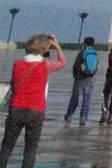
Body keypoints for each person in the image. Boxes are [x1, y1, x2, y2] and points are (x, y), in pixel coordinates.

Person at [2, 34, 67, 168]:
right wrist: (56, 45)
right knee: (30, 150)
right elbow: (62, 62)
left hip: (16, 109)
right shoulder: (45, 66)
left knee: (6, 147)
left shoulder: (17, 64)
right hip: (36, 111)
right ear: (43, 50)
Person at [63, 36, 98, 125]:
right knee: (86, 99)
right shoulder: (95, 54)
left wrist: (75, 75)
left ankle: (69, 115)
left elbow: (76, 65)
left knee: (75, 97)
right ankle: (83, 118)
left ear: (85, 43)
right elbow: (96, 67)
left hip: (80, 78)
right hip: (90, 79)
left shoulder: (82, 53)